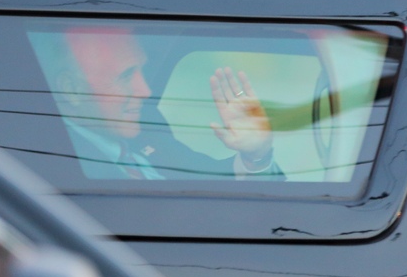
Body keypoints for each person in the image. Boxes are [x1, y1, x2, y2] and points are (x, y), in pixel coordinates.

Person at [34, 27, 280, 180]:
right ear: (72, 90)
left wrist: (256, 156)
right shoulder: (45, 165)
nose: (146, 91)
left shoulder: (146, 130)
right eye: (126, 76)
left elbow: (210, 184)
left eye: (143, 71)